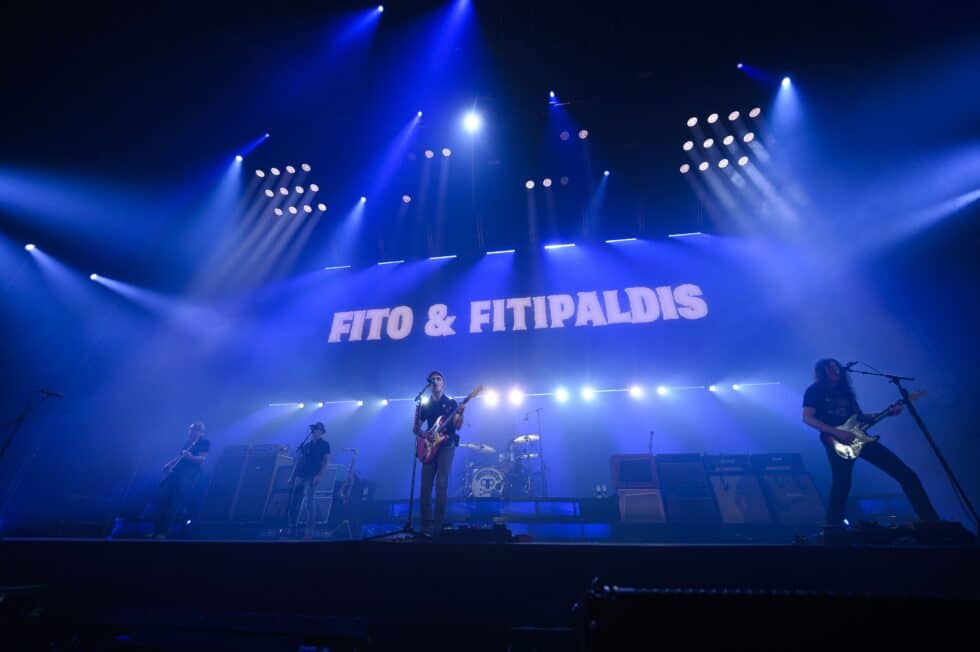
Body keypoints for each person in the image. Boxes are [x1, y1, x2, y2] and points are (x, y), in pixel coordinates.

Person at [802, 358, 939, 528]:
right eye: (830, 368)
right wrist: (837, 432)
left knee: (906, 474)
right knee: (842, 484)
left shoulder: (846, 392)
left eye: (836, 366)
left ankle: (932, 522)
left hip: (861, 438)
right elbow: (807, 417)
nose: (835, 369)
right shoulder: (815, 390)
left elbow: (859, 417)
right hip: (836, 440)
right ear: (823, 372)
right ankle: (833, 528)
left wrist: (886, 413)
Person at [414, 371, 465, 537]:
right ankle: (425, 528)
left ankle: (438, 526)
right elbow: (415, 428)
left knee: (441, 484)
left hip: (446, 446)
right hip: (429, 447)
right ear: (429, 385)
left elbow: (457, 426)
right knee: (425, 488)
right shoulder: (425, 405)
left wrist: (461, 414)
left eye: (438, 379)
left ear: (443, 384)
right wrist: (425, 435)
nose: (435, 381)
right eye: (432, 379)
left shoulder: (451, 403)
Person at [151, 421, 210, 538]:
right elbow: (180, 456)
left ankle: (163, 532)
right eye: (190, 429)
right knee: (162, 501)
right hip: (175, 474)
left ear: (201, 432)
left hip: (187, 477)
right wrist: (170, 463)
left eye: (194, 430)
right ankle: (156, 531)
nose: (191, 432)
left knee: (174, 504)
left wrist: (191, 457)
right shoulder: (188, 442)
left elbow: (202, 459)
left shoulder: (204, 442)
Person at [286, 421, 331, 540]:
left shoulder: (324, 445)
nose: (314, 431)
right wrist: (292, 476)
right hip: (300, 475)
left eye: (317, 429)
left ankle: (309, 533)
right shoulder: (306, 446)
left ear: (321, 432)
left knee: (309, 504)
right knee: (294, 501)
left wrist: (319, 476)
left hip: (312, 476)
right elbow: (298, 462)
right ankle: (292, 528)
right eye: (313, 429)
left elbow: (326, 462)